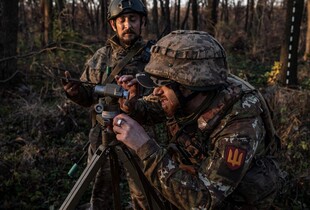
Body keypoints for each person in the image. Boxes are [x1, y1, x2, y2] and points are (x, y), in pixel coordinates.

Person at [112, 30, 284, 209]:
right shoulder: (188, 94)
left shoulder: (240, 124)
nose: (156, 91)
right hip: (198, 174)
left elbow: (204, 201)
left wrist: (145, 147)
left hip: (235, 198)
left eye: (163, 85)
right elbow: (155, 106)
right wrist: (132, 106)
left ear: (190, 87)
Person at [62, 0, 168, 209]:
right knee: (102, 194)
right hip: (104, 134)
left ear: (142, 22)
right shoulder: (101, 56)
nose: (127, 25)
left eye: (133, 19)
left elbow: (161, 100)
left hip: (139, 135)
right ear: (114, 25)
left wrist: (136, 97)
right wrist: (75, 92)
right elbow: (88, 96)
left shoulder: (154, 58)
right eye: (122, 20)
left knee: (144, 194)